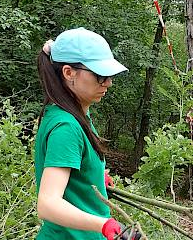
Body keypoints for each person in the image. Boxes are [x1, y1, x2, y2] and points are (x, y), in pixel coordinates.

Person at [34, 27, 135, 240]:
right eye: (99, 75)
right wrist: (103, 224)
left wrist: (93, 176)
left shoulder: (73, 113)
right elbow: (47, 204)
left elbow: (69, 164)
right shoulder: (67, 126)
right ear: (69, 73)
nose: (108, 82)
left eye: (108, 75)